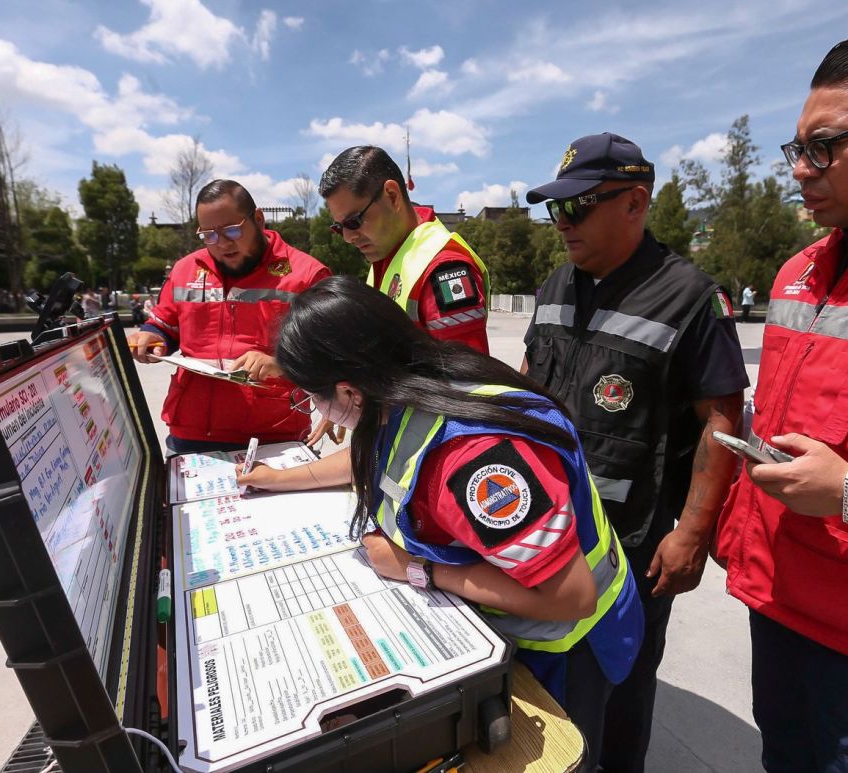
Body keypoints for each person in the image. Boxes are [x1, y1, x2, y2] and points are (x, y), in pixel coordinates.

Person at [237, 276, 643, 769]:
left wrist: (417, 568)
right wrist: (275, 479)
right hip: (506, 624)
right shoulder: (396, 391)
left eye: (311, 397)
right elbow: (365, 459)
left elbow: (571, 596)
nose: (316, 410)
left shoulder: (476, 462)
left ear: (347, 387)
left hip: (567, 646)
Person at [521, 132, 747, 772]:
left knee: (621, 689)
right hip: (549, 528)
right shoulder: (556, 285)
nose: (562, 223)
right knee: (550, 684)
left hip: (634, 544)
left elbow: (722, 417)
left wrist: (694, 533)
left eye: (578, 207)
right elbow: (531, 378)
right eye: (555, 209)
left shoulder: (689, 296)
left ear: (635, 202)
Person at [714, 39, 848, 772]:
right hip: (780, 601)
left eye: (823, 147)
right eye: (798, 147)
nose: (801, 168)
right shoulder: (799, 270)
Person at [128, 179, 330, 453]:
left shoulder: (306, 275)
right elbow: (165, 323)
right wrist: (153, 335)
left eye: (232, 231)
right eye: (209, 235)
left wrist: (281, 363)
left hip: (274, 438)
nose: (221, 244)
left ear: (258, 219)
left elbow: (329, 355)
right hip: (190, 433)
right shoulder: (185, 270)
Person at [318, 146, 490, 354]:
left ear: (392, 196)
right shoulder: (385, 255)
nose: (347, 237)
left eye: (354, 222)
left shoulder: (443, 268)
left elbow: (466, 380)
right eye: (339, 227)